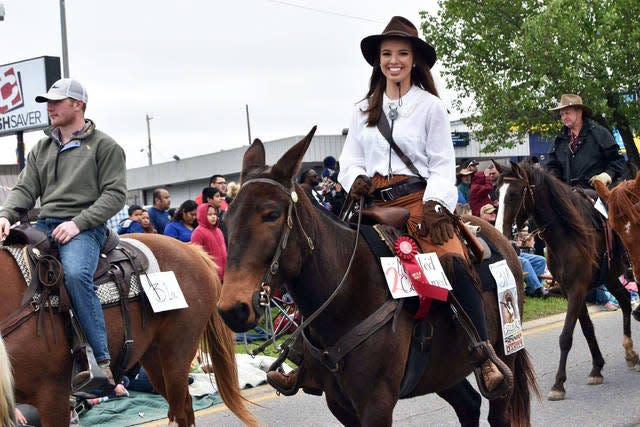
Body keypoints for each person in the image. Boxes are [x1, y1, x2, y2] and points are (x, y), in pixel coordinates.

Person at [267, 16, 506, 396]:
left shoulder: (431, 108)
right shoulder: (363, 109)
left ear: (415, 61)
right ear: (379, 60)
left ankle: (482, 354)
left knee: (453, 259)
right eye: (387, 54)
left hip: (418, 203)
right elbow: (350, 159)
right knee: (324, 262)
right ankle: (303, 357)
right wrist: (354, 178)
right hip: (369, 204)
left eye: (402, 54)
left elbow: (444, 164)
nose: (394, 60)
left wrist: (436, 205)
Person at [0, 78, 126, 388]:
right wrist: (5, 214)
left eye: (57, 101)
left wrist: (78, 223)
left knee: (73, 273)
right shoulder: (42, 147)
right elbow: (25, 189)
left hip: (86, 228)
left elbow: (115, 194)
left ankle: (100, 359)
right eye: (47, 102)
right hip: (45, 224)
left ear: (78, 104)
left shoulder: (105, 146)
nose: (49, 107)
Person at [546, 94, 625, 189]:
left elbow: (617, 160)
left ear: (579, 112)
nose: (564, 117)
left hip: (598, 193)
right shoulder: (559, 140)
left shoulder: (599, 133)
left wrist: (607, 175)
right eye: (562, 114)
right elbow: (552, 166)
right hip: (568, 197)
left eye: (567, 113)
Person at [191, 203, 227, 280]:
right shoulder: (198, 232)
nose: (213, 216)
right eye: (209, 214)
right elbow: (197, 257)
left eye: (214, 214)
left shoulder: (218, 230)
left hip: (225, 273)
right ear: (202, 215)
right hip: (212, 275)